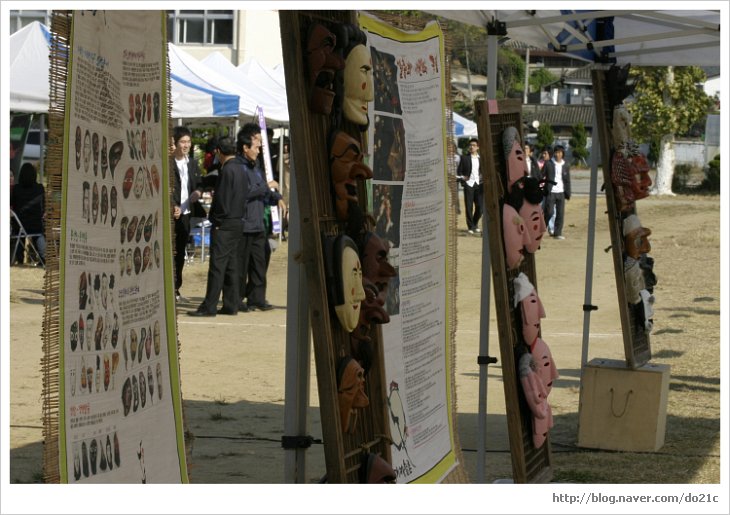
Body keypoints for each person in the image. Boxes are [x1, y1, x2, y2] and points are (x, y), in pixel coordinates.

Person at [188, 137, 246, 317]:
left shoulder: (227, 169)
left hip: (225, 223)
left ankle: (209, 306)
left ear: (219, 152)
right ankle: (231, 304)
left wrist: (217, 220)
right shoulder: (240, 168)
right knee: (231, 265)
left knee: (217, 266)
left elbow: (222, 200)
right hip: (237, 221)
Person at [237, 123, 279, 312]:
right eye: (257, 144)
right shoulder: (238, 167)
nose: (260, 148)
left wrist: (277, 198)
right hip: (244, 224)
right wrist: (266, 186)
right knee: (241, 265)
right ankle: (237, 298)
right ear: (246, 146)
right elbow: (243, 192)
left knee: (260, 262)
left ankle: (257, 298)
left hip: (258, 224)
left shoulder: (256, 167)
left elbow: (263, 191)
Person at [171, 126, 204, 300]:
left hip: (186, 214)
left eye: (188, 142)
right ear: (175, 143)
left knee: (180, 252)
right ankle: (168, 287)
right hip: (171, 214)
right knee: (170, 252)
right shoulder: (168, 163)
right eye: (182, 142)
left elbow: (199, 184)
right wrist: (172, 206)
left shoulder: (191, 163)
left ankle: (176, 288)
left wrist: (198, 192)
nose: (186, 145)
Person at [11, 162, 45, 265]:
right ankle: (43, 258)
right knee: (39, 234)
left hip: (20, 225)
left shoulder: (16, 189)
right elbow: (43, 206)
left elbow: (12, 205)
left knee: (19, 233)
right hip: (36, 225)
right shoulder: (40, 188)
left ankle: (19, 258)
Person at [542, 145, 571, 240]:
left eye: (559, 152)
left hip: (561, 192)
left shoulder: (565, 165)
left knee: (560, 214)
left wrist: (568, 192)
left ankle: (557, 233)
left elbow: (567, 180)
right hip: (551, 191)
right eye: (556, 152)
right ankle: (541, 228)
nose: (557, 154)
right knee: (549, 212)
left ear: (562, 154)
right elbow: (541, 175)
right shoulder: (549, 163)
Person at [456, 137, 482, 234]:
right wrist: (463, 181)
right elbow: (459, 172)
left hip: (479, 185)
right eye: (470, 145)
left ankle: (474, 223)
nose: (471, 147)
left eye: (474, 145)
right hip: (468, 184)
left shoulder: (481, 159)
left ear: (478, 147)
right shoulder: (464, 158)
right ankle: (470, 227)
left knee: (480, 207)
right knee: (469, 207)